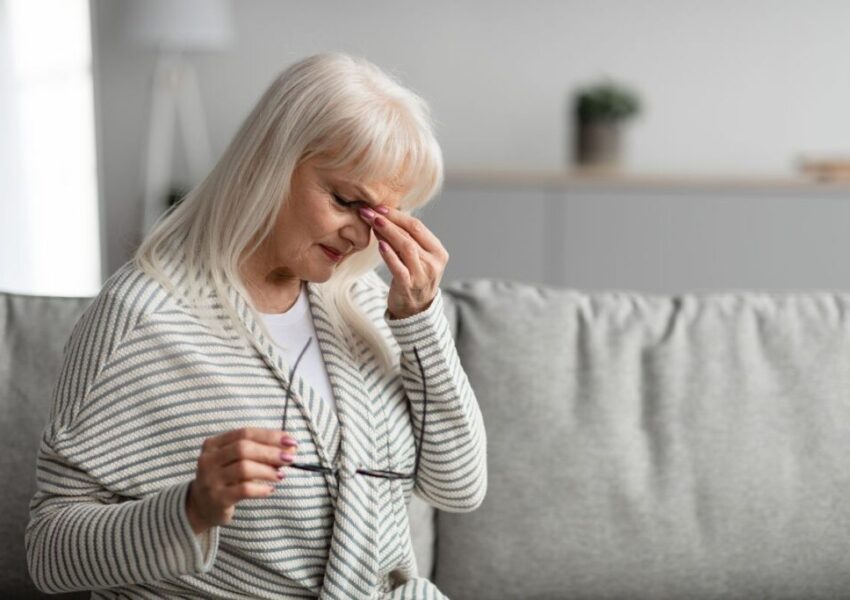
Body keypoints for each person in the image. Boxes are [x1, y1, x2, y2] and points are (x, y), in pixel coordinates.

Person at [25, 53, 487, 599]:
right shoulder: (142, 318)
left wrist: (421, 321)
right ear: (270, 160)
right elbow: (49, 553)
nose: (361, 240)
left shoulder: (364, 304)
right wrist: (191, 509)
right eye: (345, 200)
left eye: (381, 217)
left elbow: (458, 486)